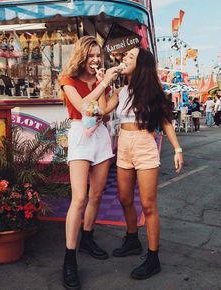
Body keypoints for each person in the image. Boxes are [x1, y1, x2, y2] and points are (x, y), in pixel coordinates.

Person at [99, 47, 184, 280]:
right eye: (124, 56)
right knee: (124, 198)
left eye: (130, 57)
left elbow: (166, 121)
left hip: (145, 145)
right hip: (124, 144)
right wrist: (103, 83)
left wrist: (177, 149)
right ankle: (132, 238)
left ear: (141, 64)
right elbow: (103, 111)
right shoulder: (120, 91)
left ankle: (153, 257)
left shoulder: (152, 91)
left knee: (148, 205)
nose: (124, 59)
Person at [59, 36, 120, 290]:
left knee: (96, 196)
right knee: (80, 198)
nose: (95, 60)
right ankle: (69, 258)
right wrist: (103, 82)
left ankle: (87, 237)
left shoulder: (99, 80)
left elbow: (103, 110)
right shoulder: (67, 80)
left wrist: (111, 90)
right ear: (81, 56)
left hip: (101, 137)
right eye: (91, 55)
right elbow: (84, 106)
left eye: (98, 56)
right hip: (80, 137)